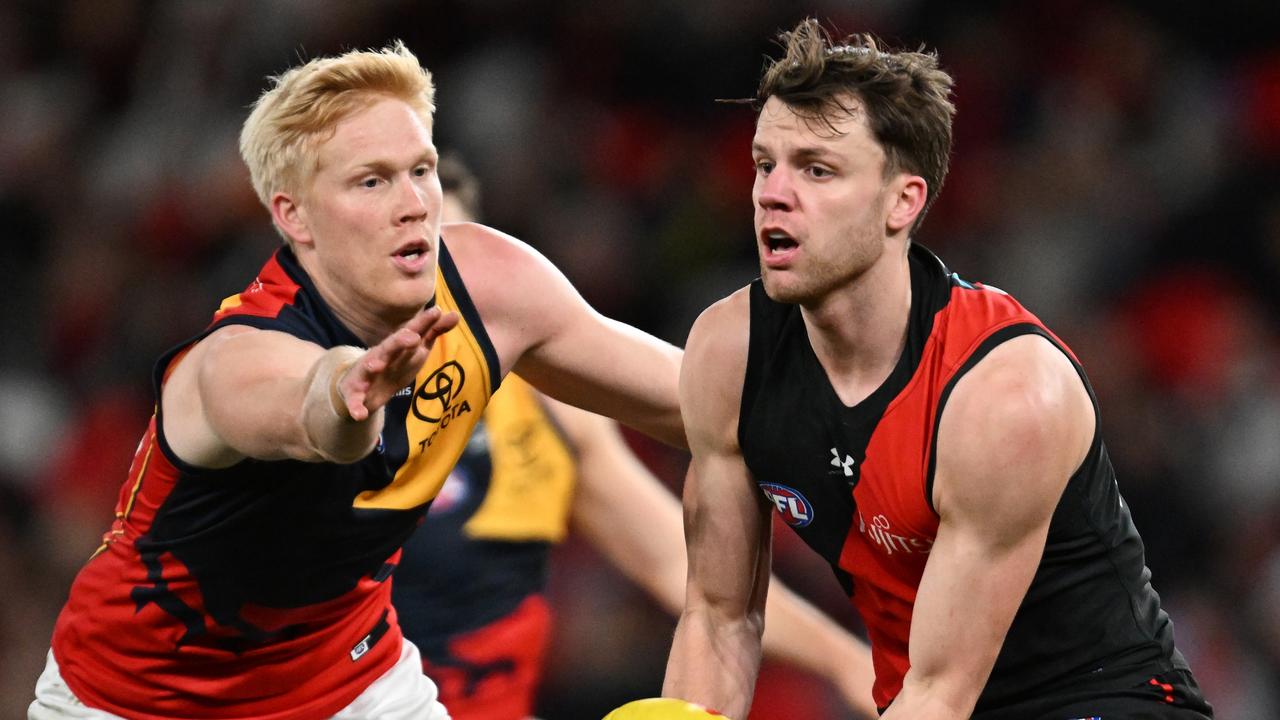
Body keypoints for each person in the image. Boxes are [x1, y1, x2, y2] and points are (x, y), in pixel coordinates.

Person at [31, 42, 685, 720]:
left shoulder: (491, 289)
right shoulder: (234, 357)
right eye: (370, 182)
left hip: (350, 683)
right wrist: (349, 398)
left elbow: (700, 400)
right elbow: (314, 411)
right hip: (138, 701)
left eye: (421, 170)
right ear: (294, 216)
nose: (413, 205)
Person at [662, 18, 1214, 720]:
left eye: (817, 169)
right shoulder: (727, 352)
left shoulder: (1007, 396)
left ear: (904, 201)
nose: (773, 192)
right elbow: (718, 617)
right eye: (765, 163)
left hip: (1101, 704)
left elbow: (941, 694)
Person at [389, 156, 877, 719]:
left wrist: (845, 660)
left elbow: (673, 560)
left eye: (461, 257)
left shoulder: (549, 411)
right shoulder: (325, 405)